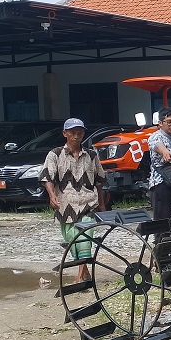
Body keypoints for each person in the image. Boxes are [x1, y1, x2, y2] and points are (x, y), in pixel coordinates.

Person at [40, 118, 106, 283]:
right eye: (73, 132)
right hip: (65, 205)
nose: (76, 136)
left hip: (88, 203)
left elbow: (99, 181)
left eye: (80, 132)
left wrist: (102, 204)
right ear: (65, 134)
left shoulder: (91, 155)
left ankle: (79, 276)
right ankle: (86, 274)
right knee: (72, 241)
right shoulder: (55, 154)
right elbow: (47, 177)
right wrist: (52, 196)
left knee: (85, 238)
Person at [147, 107, 171, 222]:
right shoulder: (155, 136)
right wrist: (165, 152)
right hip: (161, 184)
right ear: (160, 123)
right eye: (169, 122)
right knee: (163, 221)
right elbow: (157, 145)